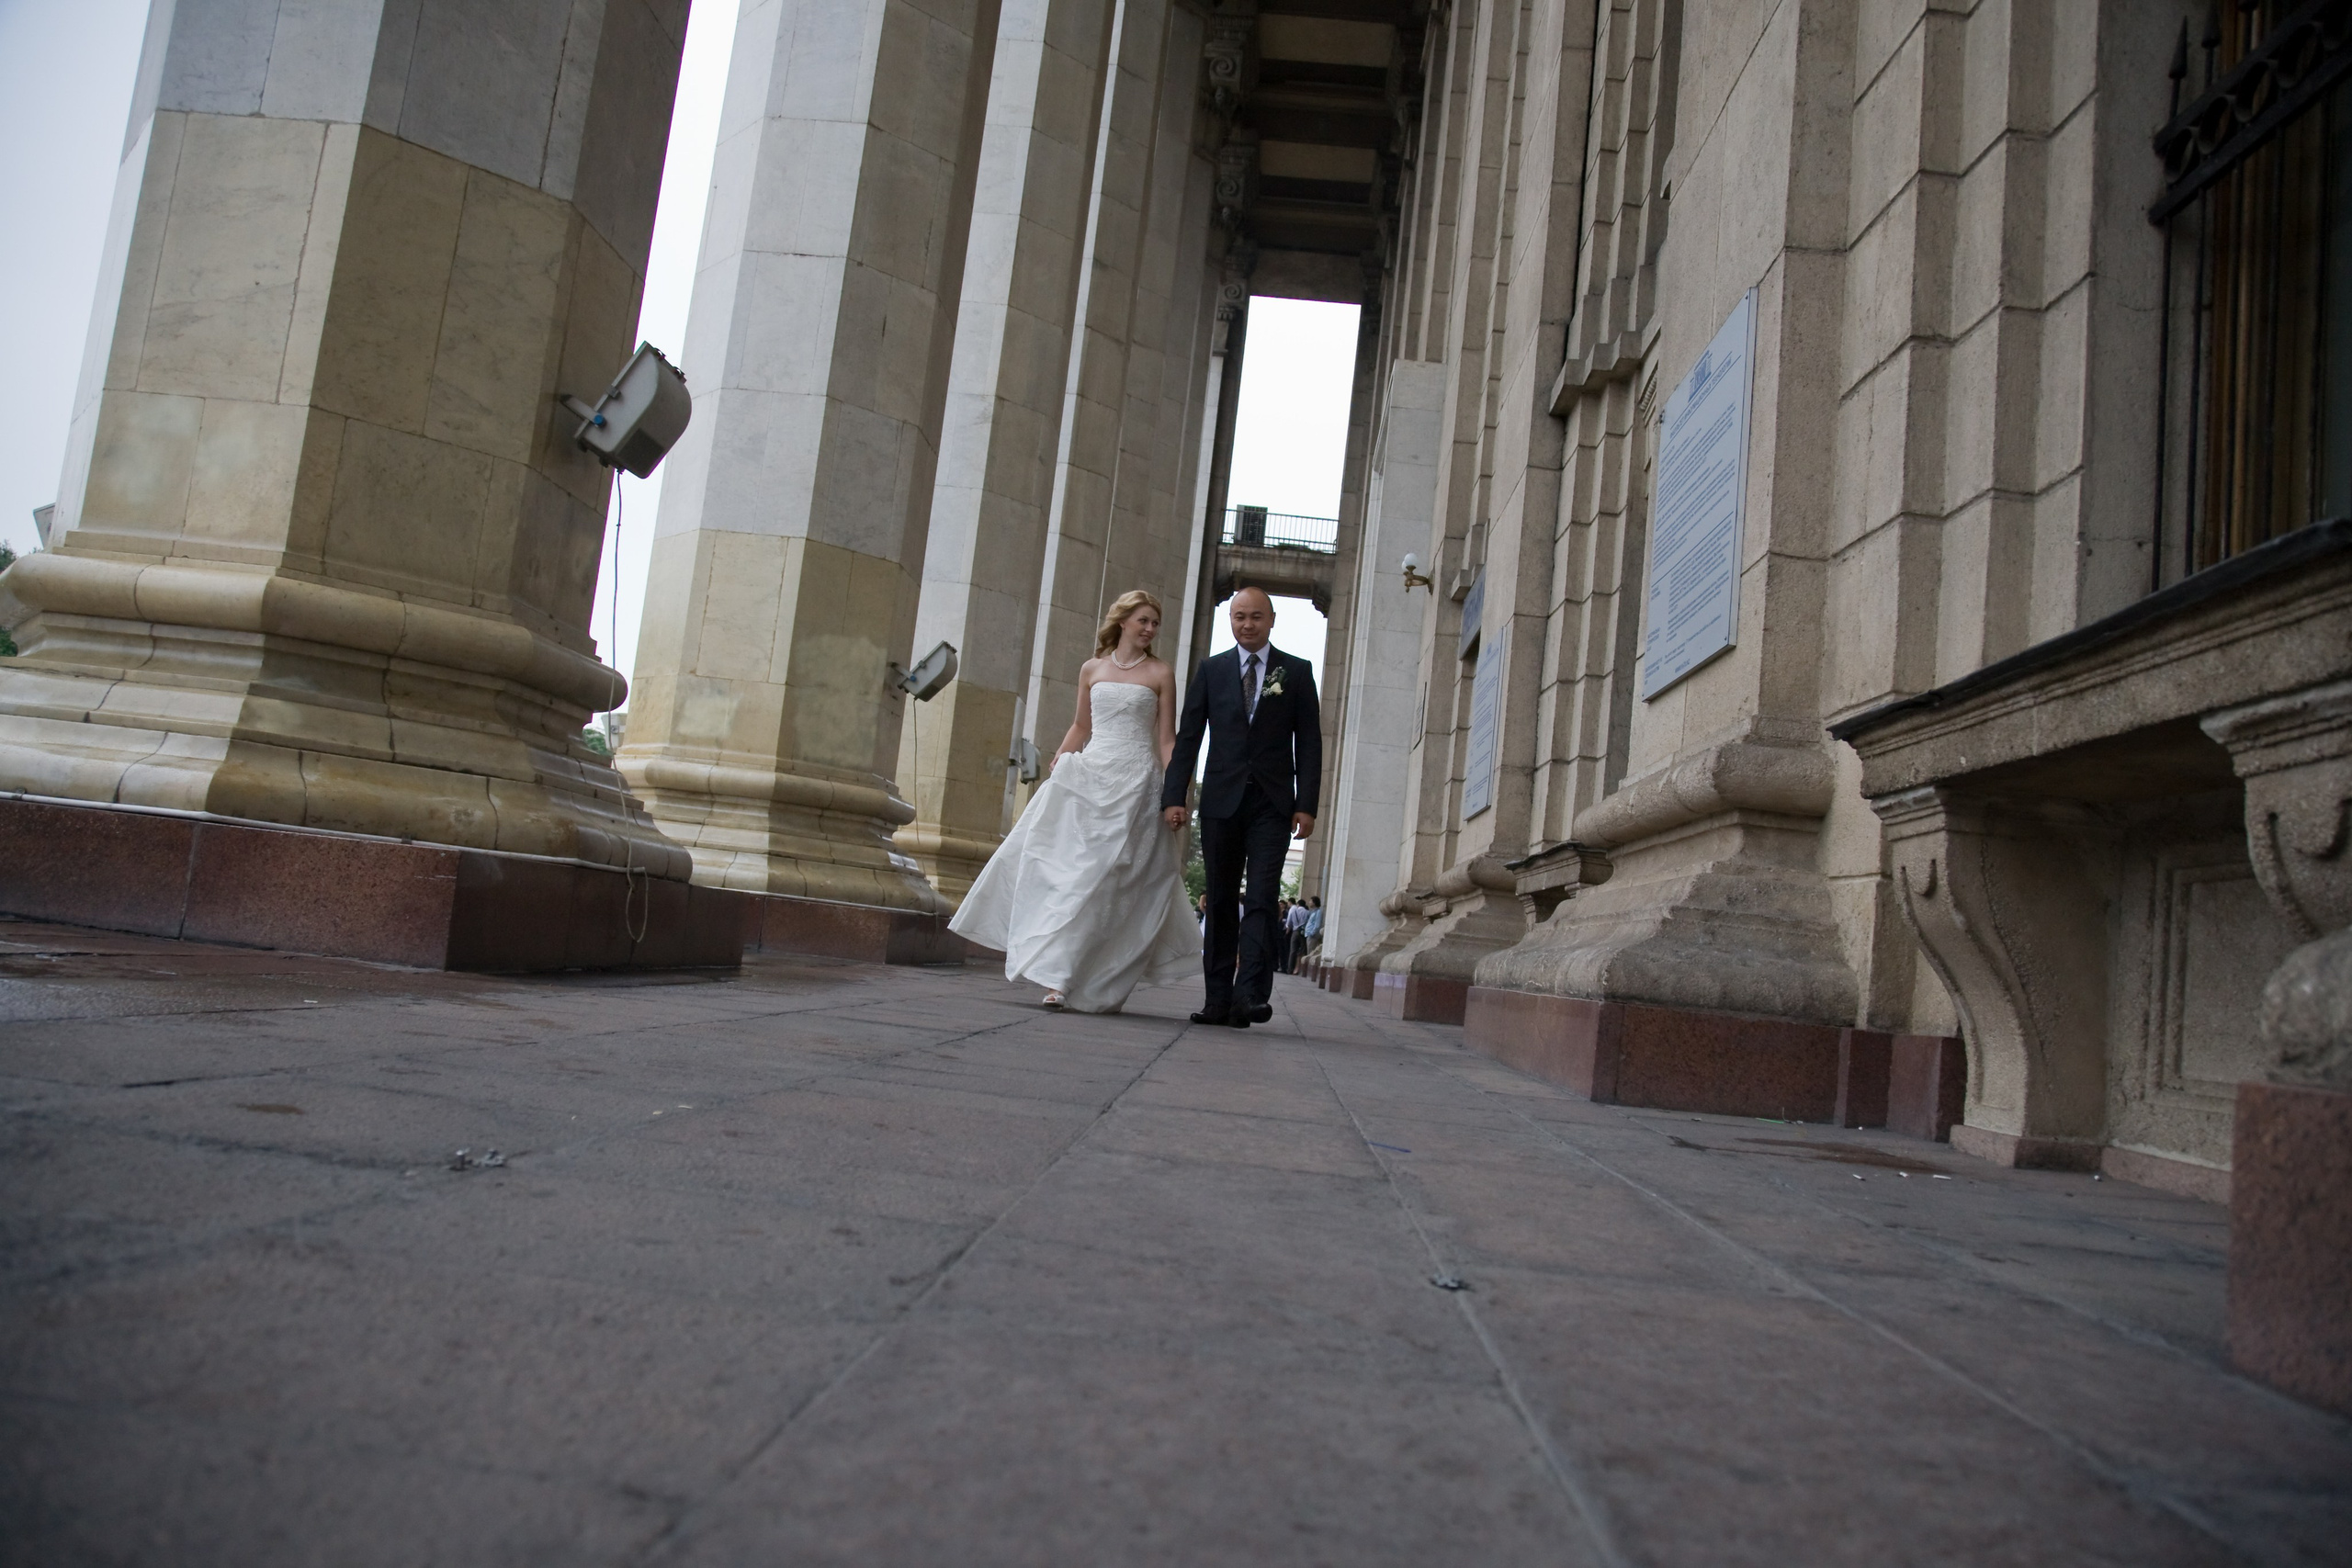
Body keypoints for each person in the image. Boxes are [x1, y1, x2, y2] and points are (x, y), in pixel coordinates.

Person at [951, 591, 1197, 1012]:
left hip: (1138, 783)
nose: (1151, 629)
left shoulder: (1160, 673)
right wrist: (1061, 760)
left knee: (1114, 883)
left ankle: (1100, 977)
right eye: (1144, 620)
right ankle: (1058, 979)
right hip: (1091, 776)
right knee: (1072, 875)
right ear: (1124, 621)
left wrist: (1176, 794)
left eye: (1156, 623)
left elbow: (1167, 739)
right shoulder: (1091, 668)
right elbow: (1082, 724)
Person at [1160, 587, 1321, 1029]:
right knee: (1222, 898)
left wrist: (1306, 805)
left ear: (1271, 620)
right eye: (1238, 617)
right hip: (1221, 801)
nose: (1247, 624)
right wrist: (1175, 795)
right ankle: (1217, 1000)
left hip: (1272, 803)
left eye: (1255, 617)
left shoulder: (1297, 672)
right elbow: (1189, 737)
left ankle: (1250, 994)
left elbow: (1309, 743)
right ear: (1230, 622)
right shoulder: (1211, 671)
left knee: (1264, 898)